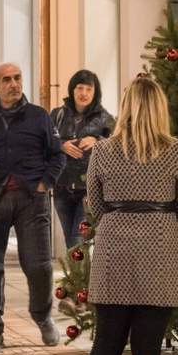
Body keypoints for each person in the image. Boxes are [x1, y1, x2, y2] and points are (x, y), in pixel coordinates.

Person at [83, 76, 178, 355]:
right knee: (147, 349)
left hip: (114, 250)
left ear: (125, 107)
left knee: (107, 343)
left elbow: (95, 206)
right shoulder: (175, 150)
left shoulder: (103, 150)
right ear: (160, 108)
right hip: (160, 251)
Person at [0, 62, 66, 350]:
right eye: (6, 80)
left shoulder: (39, 117)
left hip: (31, 201)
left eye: (17, 78)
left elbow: (57, 156)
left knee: (38, 266)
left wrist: (44, 183)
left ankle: (42, 315)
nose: (13, 84)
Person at [50, 69, 115, 248]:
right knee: (71, 241)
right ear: (72, 89)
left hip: (88, 191)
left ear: (95, 92)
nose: (84, 93)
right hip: (61, 188)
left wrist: (97, 140)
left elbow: (117, 145)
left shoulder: (104, 118)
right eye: (80, 88)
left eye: (88, 89)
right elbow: (44, 143)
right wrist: (61, 145)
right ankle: (79, 275)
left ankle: (81, 275)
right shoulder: (57, 115)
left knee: (78, 240)